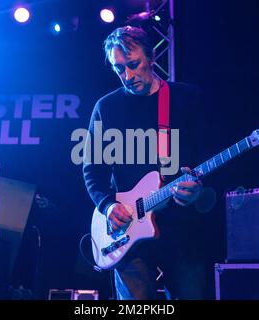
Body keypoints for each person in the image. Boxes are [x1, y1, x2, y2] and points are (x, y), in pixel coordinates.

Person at [83, 26, 210, 300]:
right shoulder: (106, 108)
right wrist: (107, 206)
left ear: (151, 58)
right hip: (128, 232)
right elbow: (92, 169)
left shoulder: (187, 98)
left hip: (182, 228)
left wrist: (199, 187)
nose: (127, 76)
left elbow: (207, 158)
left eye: (133, 65)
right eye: (119, 69)